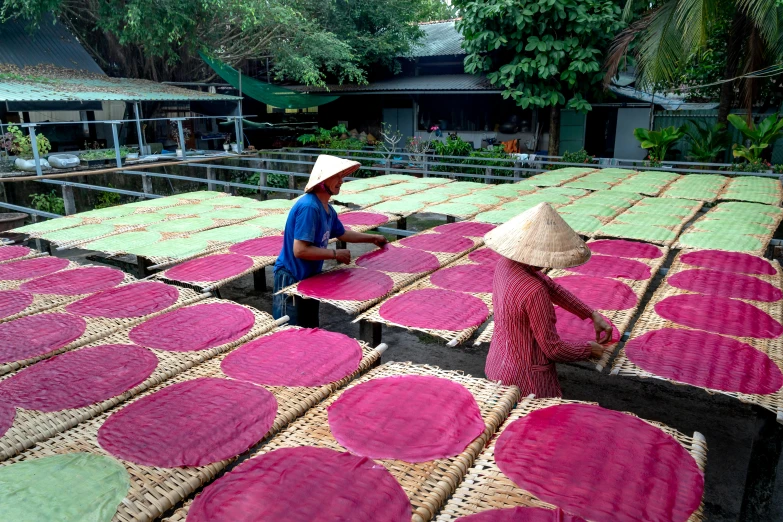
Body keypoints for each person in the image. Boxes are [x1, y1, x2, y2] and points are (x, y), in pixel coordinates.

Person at [482, 202, 613, 398]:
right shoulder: (534, 292)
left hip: (498, 364)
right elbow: (553, 349)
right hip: (526, 381)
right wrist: (588, 350)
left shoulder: (505, 264)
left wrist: (591, 314)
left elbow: (551, 286)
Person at [272, 154, 387, 327]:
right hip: (291, 277)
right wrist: (334, 253)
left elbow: (342, 234)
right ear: (322, 181)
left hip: (310, 277)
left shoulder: (327, 209)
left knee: (309, 329)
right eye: (336, 177)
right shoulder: (309, 207)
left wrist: (373, 238)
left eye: (341, 177)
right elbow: (300, 250)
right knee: (289, 332)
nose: (341, 181)